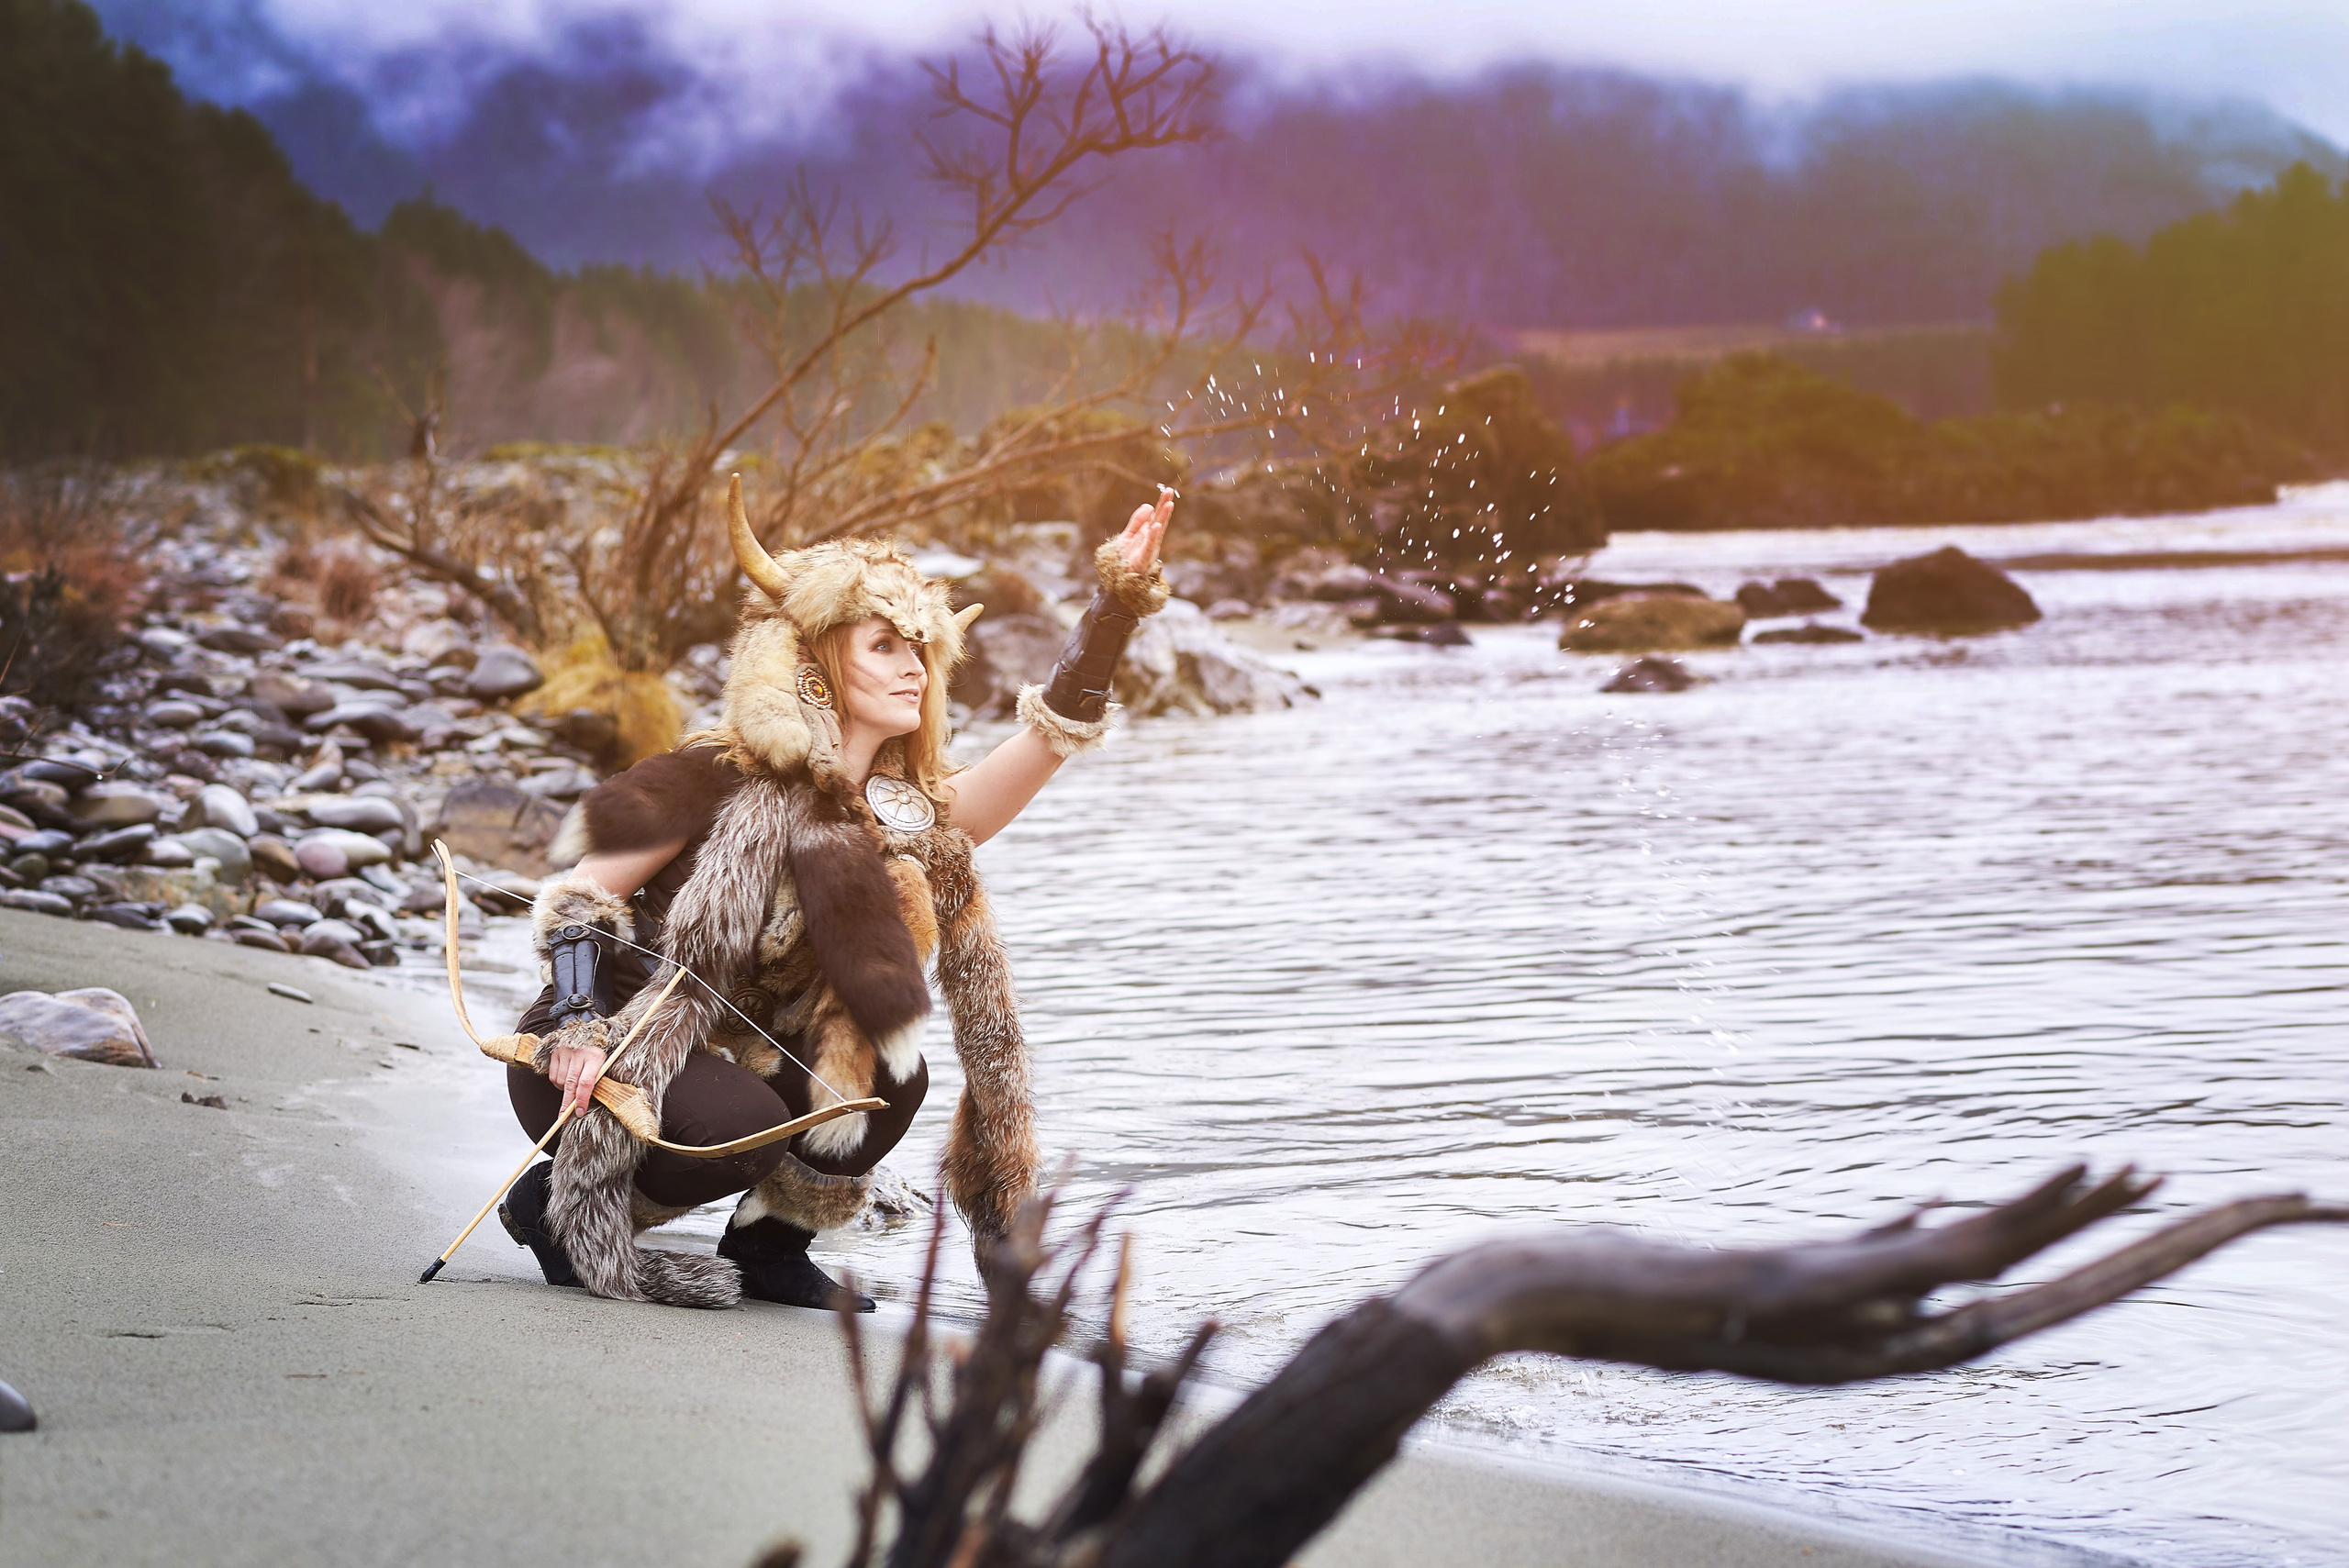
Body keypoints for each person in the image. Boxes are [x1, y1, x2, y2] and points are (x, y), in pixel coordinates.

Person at [495, 479, 1176, 1311]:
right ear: (817, 661)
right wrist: (575, 1024)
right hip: (601, 1047)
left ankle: (771, 1249)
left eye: (919, 649)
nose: (913, 668)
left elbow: (1043, 743)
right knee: (736, 1120)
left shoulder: (904, 810)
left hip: (736, 1051)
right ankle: (558, 1208)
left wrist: (1114, 606)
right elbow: (575, 899)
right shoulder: (713, 772)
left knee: (893, 1069)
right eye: (884, 645)